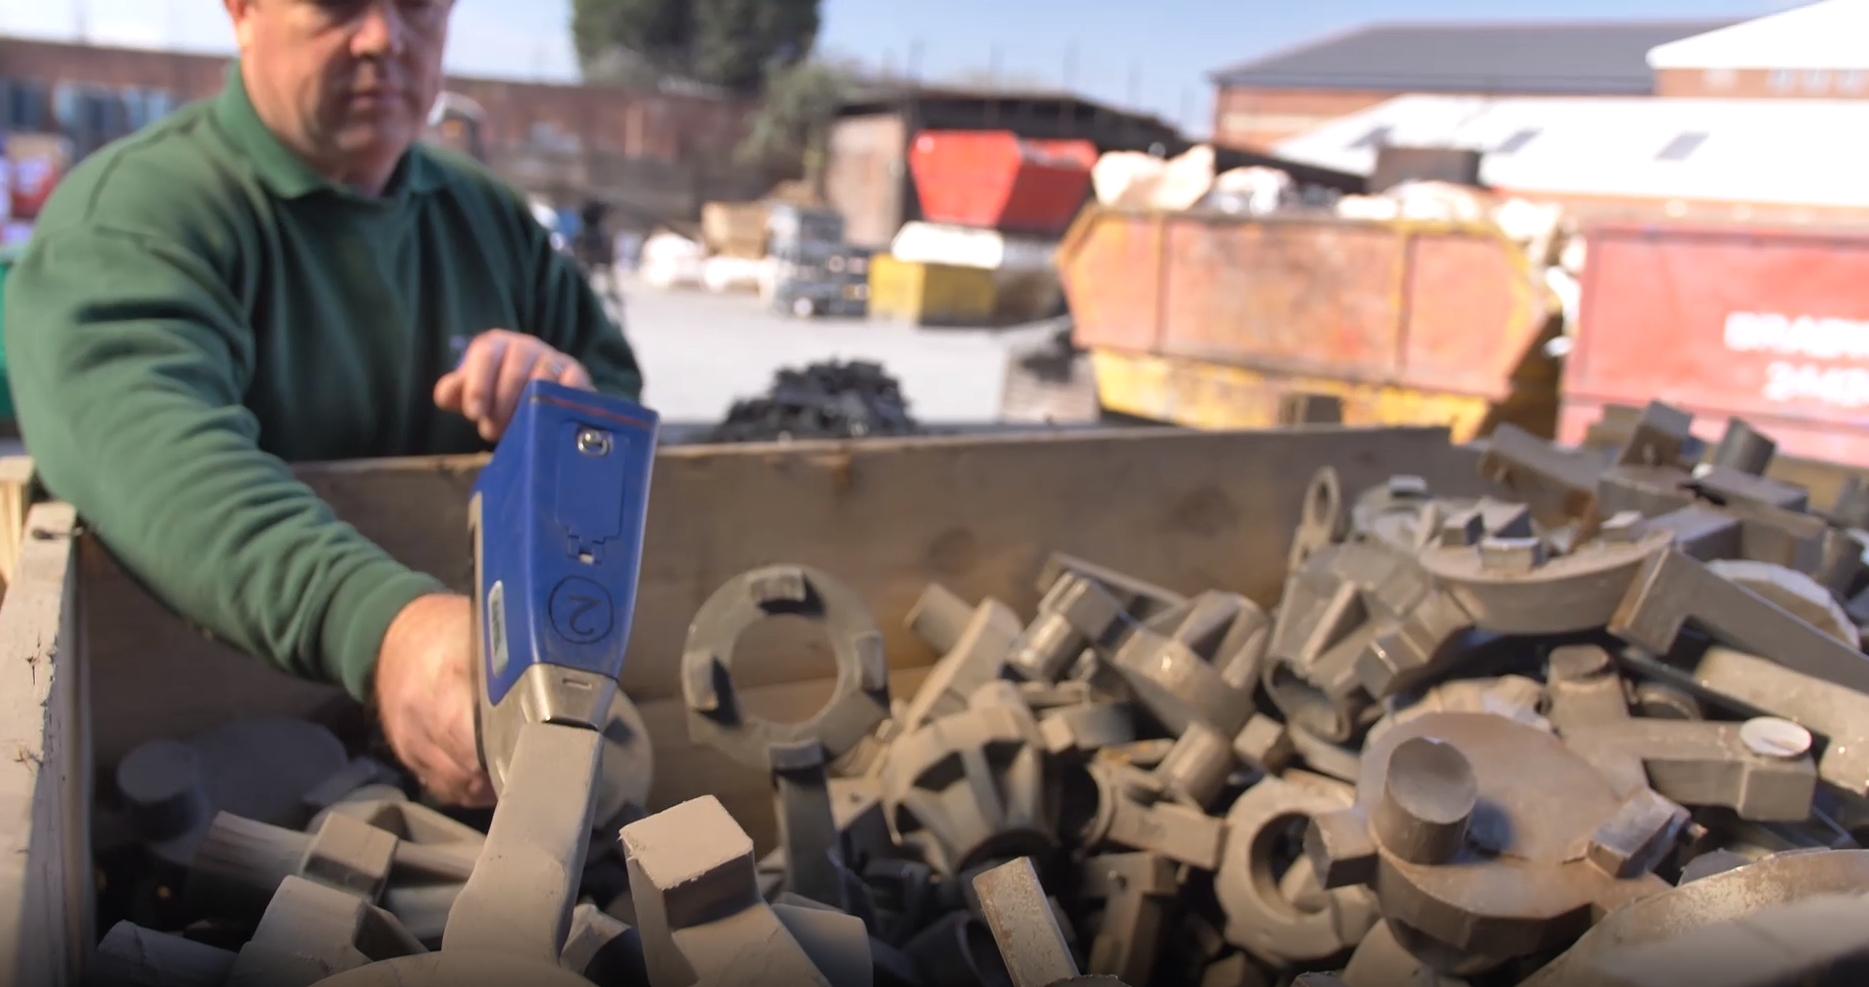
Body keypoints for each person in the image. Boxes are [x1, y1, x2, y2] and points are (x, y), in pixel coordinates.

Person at [1, 0, 644, 808]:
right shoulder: (134, 217)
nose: (383, 37)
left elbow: (614, 389)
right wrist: (386, 629)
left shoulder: (487, 218)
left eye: (417, 6)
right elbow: (153, 453)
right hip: (208, 754)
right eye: (339, 4)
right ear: (241, 11)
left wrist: (564, 407)